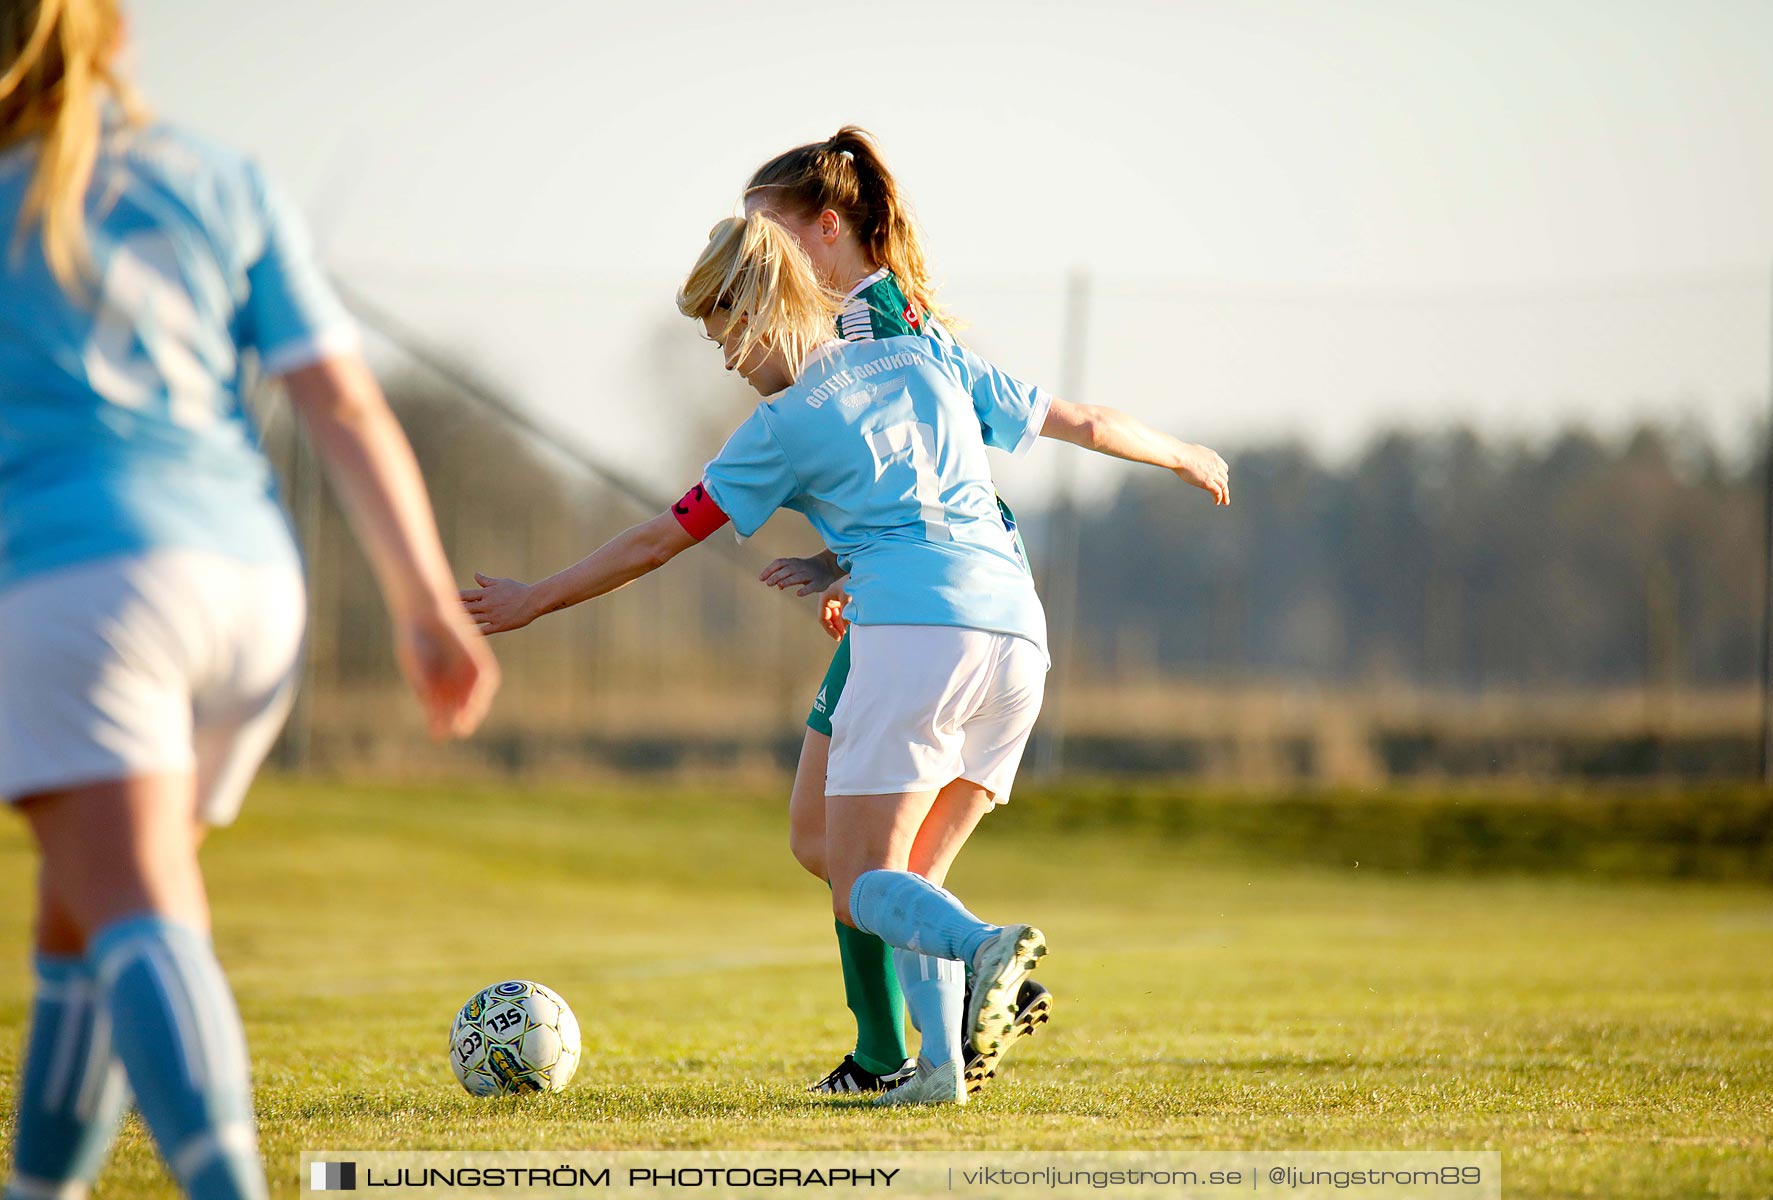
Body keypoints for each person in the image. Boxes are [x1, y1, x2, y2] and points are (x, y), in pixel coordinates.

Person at [461, 212, 1227, 1106]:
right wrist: (1182, 452)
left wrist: (533, 600)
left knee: (862, 880)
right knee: (905, 880)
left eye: (726, 335)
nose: (727, 361)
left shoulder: (780, 427)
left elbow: (654, 542)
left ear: (764, 313)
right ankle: (937, 1073)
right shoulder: (927, 354)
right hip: (1017, 634)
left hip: (912, 635)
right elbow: (1084, 421)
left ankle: (990, 955)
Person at [0, 3, 500, 1197]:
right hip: (251, 588)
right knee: (80, 917)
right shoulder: (219, 177)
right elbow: (341, 403)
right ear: (114, 38)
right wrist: (424, 600)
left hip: (86, 595)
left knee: (140, 911)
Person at [739, 127, 1229, 1096]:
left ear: (826, 230)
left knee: (867, 868)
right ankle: (940, 1045)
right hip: (970, 615)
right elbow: (943, 475)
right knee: (845, 851)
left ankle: (916, 1036)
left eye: (765, 234)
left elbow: (901, 479)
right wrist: (841, 559)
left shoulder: (861, 342)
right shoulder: (917, 336)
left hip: (927, 624)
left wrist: (1178, 452)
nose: (750, 261)